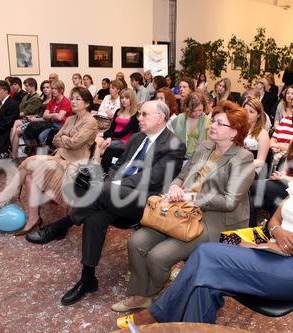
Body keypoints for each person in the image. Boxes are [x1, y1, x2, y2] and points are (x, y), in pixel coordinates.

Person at [118, 119, 293, 328]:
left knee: (206, 255)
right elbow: (274, 221)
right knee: (204, 284)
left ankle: (155, 315)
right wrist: (278, 234)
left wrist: (276, 236)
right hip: (275, 255)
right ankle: (187, 327)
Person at [24, 101, 187, 307]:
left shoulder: (174, 144)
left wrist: (112, 187)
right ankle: (87, 278)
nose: (139, 118)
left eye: (144, 114)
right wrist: (110, 185)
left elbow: (154, 178)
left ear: (160, 117)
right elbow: (118, 166)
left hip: (145, 202)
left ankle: (62, 225)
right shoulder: (137, 138)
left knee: (95, 190)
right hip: (113, 196)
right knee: (94, 217)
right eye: (140, 114)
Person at [111, 101, 255, 313]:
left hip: (212, 220)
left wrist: (191, 197)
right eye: (213, 120)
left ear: (234, 132)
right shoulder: (205, 146)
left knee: (158, 257)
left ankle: (153, 294)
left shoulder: (243, 158)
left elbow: (229, 201)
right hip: (180, 210)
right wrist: (175, 187)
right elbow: (181, 175)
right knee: (136, 243)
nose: (212, 125)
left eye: (219, 123)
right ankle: (141, 296)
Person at [0, 87, 98, 234]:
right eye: (72, 98)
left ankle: (10, 194)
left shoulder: (90, 122)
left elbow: (74, 143)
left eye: (78, 99)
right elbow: (55, 139)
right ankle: (33, 218)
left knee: (30, 166)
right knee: (29, 174)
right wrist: (65, 139)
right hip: (58, 157)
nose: (73, 101)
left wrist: (64, 139)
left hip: (73, 164)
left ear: (88, 104)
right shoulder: (71, 119)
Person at [249, 105, 293, 226]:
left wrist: (284, 178)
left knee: (252, 185)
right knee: (251, 201)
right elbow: (285, 168)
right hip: (284, 184)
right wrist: (281, 175)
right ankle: (251, 234)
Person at [98, 89, 140, 172]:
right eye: (122, 97)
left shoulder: (135, 114)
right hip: (114, 137)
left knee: (105, 146)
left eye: (127, 98)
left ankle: (101, 169)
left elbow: (122, 133)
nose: (123, 100)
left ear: (131, 99)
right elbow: (112, 128)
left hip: (125, 141)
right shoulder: (118, 111)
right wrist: (109, 137)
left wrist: (104, 134)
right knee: (96, 141)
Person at [23, 80, 72, 147]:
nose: (53, 91)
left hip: (61, 126)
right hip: (51, 124)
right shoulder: (52, 101)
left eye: (56, 89)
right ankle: (33, 151)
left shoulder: (65, 101)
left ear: (62, 90)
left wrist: (51, 116)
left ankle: (46, 153)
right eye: (52, 88)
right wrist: (54, 114)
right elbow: (45, 115)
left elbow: (59, 118)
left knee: (41, 136)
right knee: (30, 130)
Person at [9, 78, 44, 159]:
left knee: (15, 126)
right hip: (25, 117)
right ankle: (14, 151)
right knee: (15, 123)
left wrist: (15, 114)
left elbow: (27, 111)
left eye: (27, 86)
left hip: (32, 119)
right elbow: (20, 107)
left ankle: (14, 151)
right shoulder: (26, 96)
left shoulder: (36, 98)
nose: (25, 88)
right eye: (25, 86)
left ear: (33, 86)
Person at [169, 92, 211, 159]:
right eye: (194, 111)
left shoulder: (206, 121)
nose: (197, 113)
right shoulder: (179, 119)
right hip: (177, 156)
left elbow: (209, 144)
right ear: (187, 108)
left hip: (196, 158)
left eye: (200, 110)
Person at [243, 98, 270, 174]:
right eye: (245, 111)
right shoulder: (239, 129)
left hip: (253, 169)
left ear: (258, 115)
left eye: (251, 112)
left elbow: (261, 161)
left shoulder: (263, 134)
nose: (247, 114)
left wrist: (243, 164)